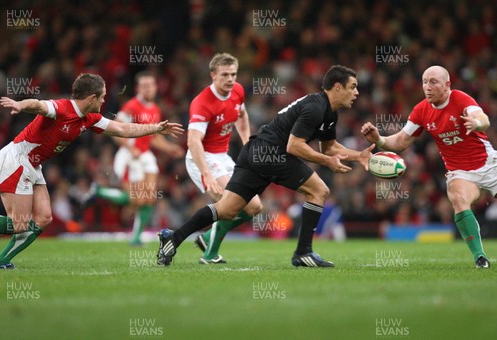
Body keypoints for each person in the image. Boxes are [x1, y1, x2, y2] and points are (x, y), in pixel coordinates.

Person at [157, 65, 374, 267]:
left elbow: (329, 147)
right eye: (353, 87)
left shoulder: (329, 113)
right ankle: (303, 252)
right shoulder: (316, 108)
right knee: (319, 190)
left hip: (255, 151)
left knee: (226, 209)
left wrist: (358, 156)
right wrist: (327, 161)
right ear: (337, 87)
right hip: (271, 153)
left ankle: (172, 237)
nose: (356, 93)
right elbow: (294, 146)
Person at [0, 73, 184, 269]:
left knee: (44, 219)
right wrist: (21, 104)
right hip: (16, 159)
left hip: (33, 163)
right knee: (19, 223)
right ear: (92, 97)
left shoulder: (90, 118)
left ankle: (1, 261)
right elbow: (39, 105)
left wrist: (156, 128)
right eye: (102, 98)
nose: (104, 102)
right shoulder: (62, 107)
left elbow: (122, 129)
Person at [361, 65, 497, 268]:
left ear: (447, 85)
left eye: (433, 82)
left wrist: (477, 124)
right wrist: (379, 139)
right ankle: (480, 258)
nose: (427, 86)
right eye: (425, 82)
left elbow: (483, 118)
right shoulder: (421, 110)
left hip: (490, 165)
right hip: (460, 172)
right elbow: (400, 141)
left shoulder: (461, 99)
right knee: (460, 201)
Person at [185, 53, 262, 264]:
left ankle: (208, 238)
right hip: (202, 157)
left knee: (254, 206)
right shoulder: (202, 103)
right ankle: (210, 254)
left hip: (222, 156)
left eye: (233, 74)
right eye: (225, 74)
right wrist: (207, 174)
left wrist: (248, 145)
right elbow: (193, 141)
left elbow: (242, 117)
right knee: (230, 206)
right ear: (213, 75)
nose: (230, 79)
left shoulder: (237, 91)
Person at [93, 71, 184, 245]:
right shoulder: (131, 106)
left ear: (156, 88)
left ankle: (136, 238)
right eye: (144, 86)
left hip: (145, 156)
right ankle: (99, 191)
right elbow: (115, 130)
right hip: (130, 155)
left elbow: (153, 138)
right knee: (138, 198)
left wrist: (169, 148)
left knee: (149, 197)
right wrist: (129, 147)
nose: (148, 89)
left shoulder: (155, 109)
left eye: (151, 85)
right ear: (138, 88)